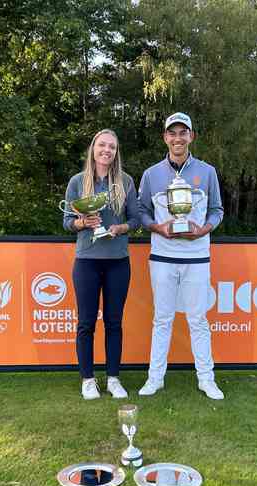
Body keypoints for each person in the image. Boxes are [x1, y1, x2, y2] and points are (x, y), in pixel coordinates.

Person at [137, 112, 225, 400]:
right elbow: (141, 211)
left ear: (191, 136)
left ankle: (206, 379)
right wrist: (156, 226)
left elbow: (217, 210)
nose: (177, 138)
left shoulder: (207, 171)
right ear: (165, 137)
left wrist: (205, 229)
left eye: (182, 133)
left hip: (197, 256)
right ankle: (155, 378)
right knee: (162, 319)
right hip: (162, 256)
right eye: (172, 133)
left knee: (198, 319)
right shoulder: (152, 174)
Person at [63, 129, 141, 400]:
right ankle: (87, 379)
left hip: (118, 262)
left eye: (112, 147)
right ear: (93, 148)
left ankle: (113, 378)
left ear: (116, 152)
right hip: (86, 262)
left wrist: (120, 227)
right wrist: (82, 223)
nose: (107, 150)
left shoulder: (126, 181)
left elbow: (136, 219)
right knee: (85, 323)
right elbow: (66, 222)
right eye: (102, 145)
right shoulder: (77, 182)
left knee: (114, 322)